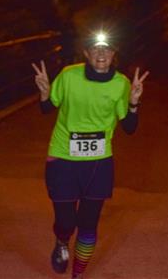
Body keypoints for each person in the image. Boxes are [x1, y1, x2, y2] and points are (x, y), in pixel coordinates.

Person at [31, 30, 149, 278]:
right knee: (66, 222)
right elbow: (46, 108)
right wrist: (44, 92)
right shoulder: (69, 76)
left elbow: (129, 128)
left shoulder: (121, 84)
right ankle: (62, 241)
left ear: (114, 54)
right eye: (96, 48)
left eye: (107, 48)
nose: (101, 53)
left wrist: (134, 103)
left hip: (98, 163)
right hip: (63, 158)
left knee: (88, 223)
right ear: (86, 53)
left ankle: (78, 274)